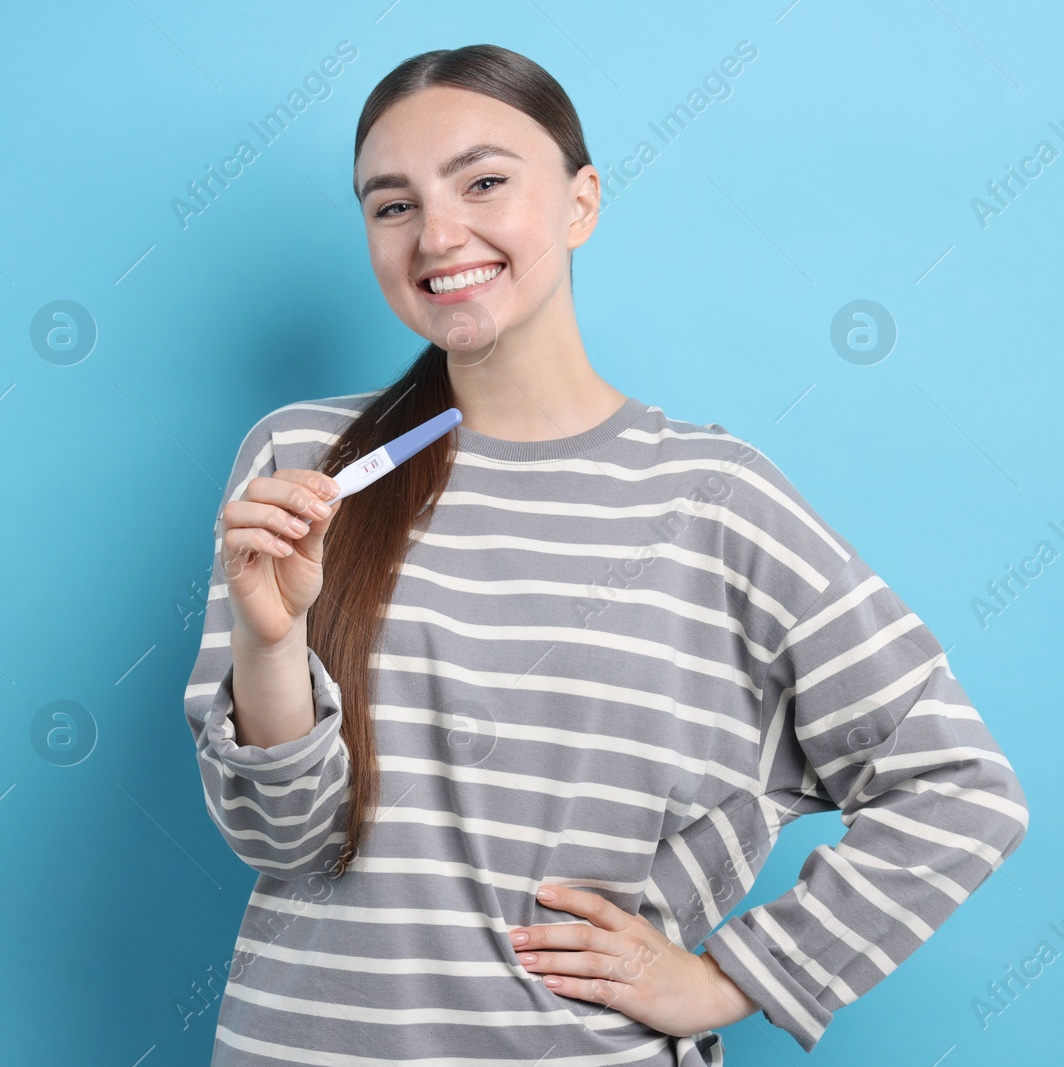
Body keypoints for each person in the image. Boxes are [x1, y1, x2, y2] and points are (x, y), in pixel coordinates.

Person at [183, 44, 1027, 1066]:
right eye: (390, 205)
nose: (437, 234)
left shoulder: (716, 498)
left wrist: (731, 979)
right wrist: (269, 647)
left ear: (581, 202)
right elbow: (285, 845)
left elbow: (956, 784)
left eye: (484, 181)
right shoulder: (302, 465)